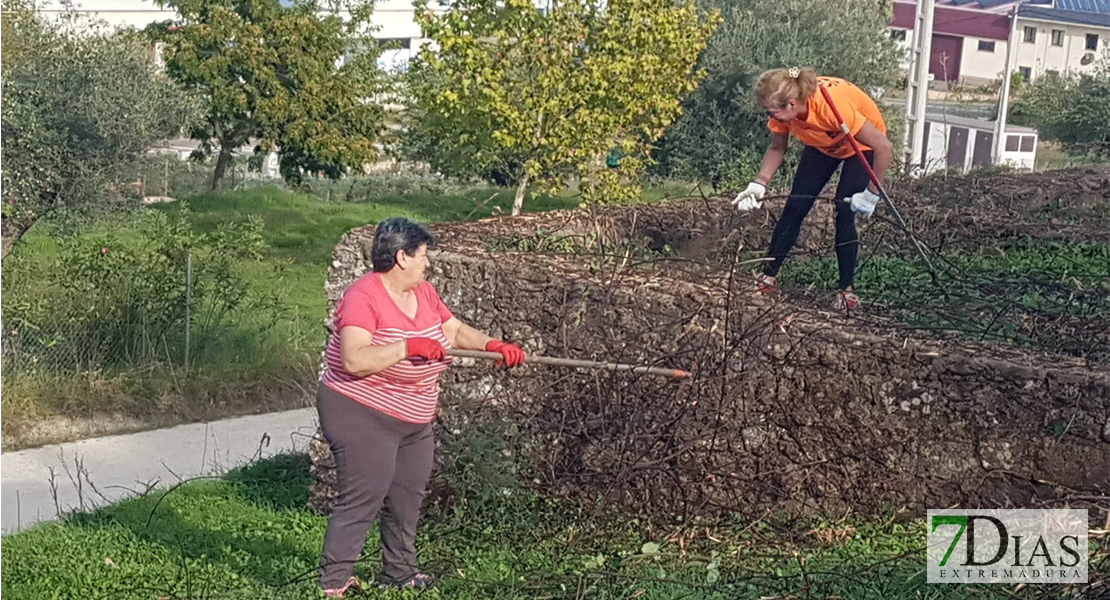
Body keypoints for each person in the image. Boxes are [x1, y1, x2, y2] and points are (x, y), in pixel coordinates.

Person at [315, 217, 525, 597]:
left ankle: (398, 572)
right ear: (401, 257)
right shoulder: (363, 297)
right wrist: (407, 347)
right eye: (423, 255)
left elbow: (455, 332)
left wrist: (493, 345)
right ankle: (334, 582)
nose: (428, 263)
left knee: (406, 495)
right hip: (359, 410)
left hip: (414, 416)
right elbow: (354, 360)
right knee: (366, 492)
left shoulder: (424, 293)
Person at [732, 67, 894, 310]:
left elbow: (884, 146)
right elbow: (777, 148)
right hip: (822, 145)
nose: (770, 117)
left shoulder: (832, 108)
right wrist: (759, 183)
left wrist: (872, 193)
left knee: (844, 210)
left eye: (773, 112)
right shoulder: (783, 114)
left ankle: (847, 291)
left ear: (793, 104)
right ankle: (768, 277)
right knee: (796, 206)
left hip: (861, 145)